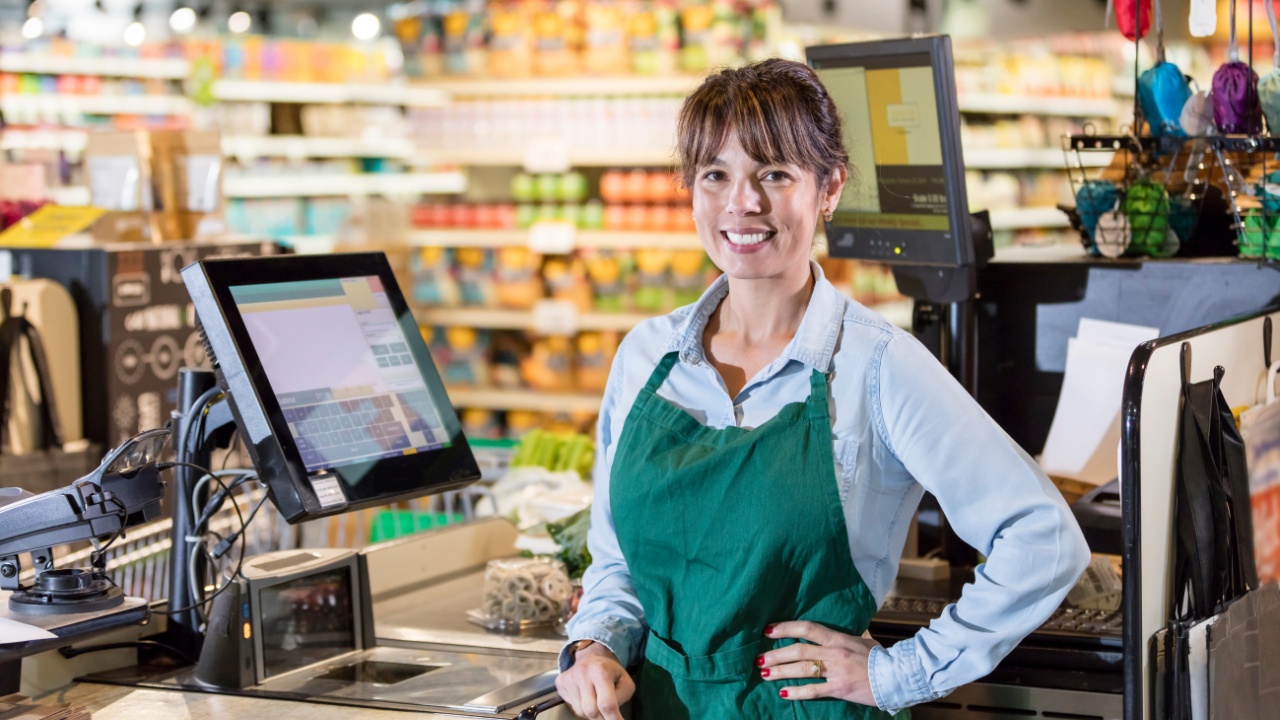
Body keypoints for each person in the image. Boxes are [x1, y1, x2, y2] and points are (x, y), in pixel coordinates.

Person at [553, 59, 1091, 719]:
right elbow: (616, 564)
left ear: (828, 187)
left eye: (774, 174)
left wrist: (899, 676)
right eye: (715, 175)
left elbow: (1043, 539)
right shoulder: (646, 355)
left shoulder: (877, 365)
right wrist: (594, 646)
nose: (742, 203)